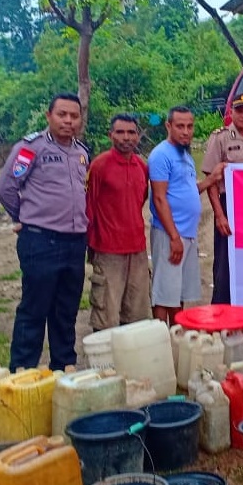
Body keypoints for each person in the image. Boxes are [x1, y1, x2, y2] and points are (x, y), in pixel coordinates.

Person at [0, 93, 89, 372]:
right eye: (62, 115)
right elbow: (6, 188)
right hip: (41, 240)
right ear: (49, 116)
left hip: (74, 242)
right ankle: (23, 372)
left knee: (66, 311)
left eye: (74, 116)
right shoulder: (30, 149)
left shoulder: (81, 152)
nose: (68, 121)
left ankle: (64, 368)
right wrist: (21, 217)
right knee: (34, 309)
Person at [202, 93, 243, 304]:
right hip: (228, 205)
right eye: (239, 110)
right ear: (231, 112)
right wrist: (220, 215)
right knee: (224, 263)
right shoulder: (220, 138)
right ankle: (222, 311)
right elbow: (211, 180)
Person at [86, 114, 152, 329]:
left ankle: (132, 360)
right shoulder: (99, 166)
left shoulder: (141, 167)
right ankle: (106, 362)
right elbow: (88, 207)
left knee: (137, 312)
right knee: (107, 313)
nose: (126, 137)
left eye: (131, 132)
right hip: (108, 251)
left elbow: (139, 201)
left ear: (138, 136)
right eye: (120, 132)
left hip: (137, 250)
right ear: (110, 135)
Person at [150, 106, 214, 325]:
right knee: (164, 290)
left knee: (178, 291)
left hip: (187, 233)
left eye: (189, 126)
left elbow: (187, 190)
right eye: (180, 126)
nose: (186, 131)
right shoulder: (161, 155)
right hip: (170, 233)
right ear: (168, 126)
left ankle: (176, 337)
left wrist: (211, 179)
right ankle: (162, 338)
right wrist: (174, 237)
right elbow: (159, 198)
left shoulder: (184, 154)